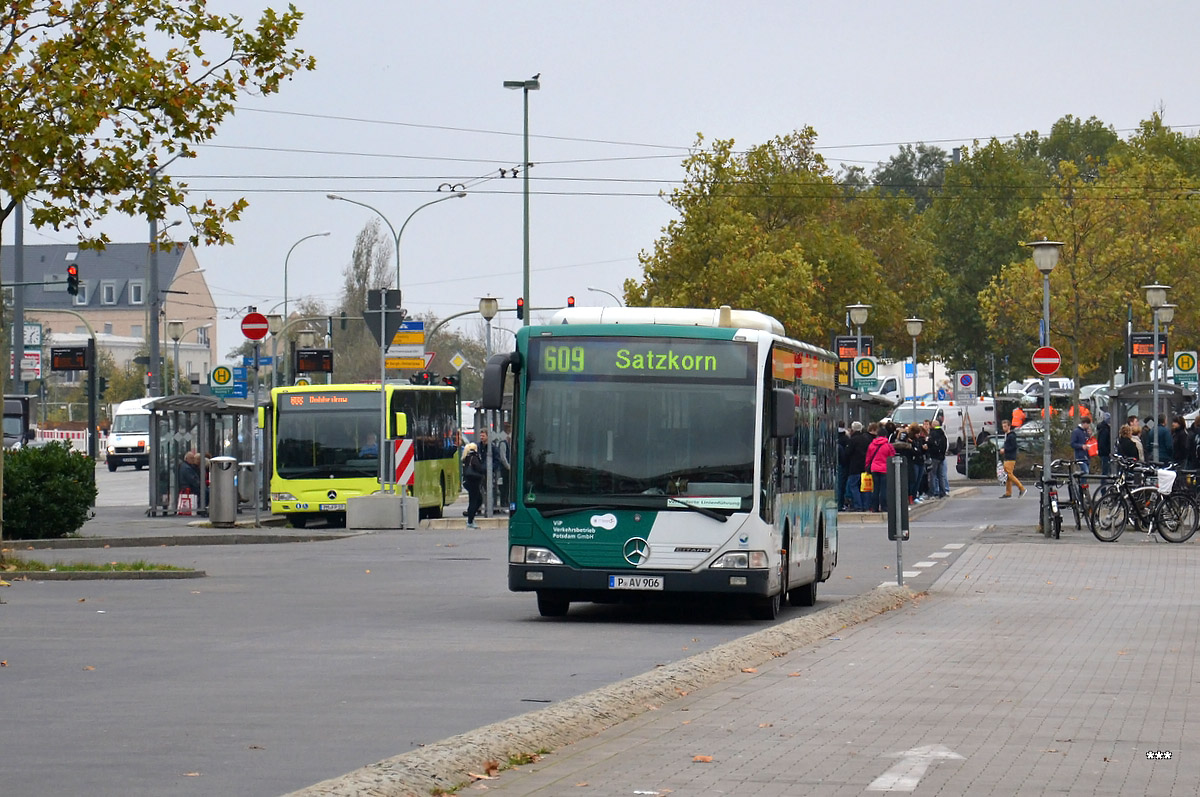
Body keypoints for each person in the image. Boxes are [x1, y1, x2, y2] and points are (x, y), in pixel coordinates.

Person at [865, 424, 896, 512]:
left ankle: (874, 507)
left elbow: (868, 458)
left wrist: (867, 467)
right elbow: (892, 456)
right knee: (884, 489)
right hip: (884, 469)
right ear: (886, 435)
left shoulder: (871, 444)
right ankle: (884, 506)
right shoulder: (888, 446)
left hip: (874, 468)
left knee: (875, 488)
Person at [845, 421, 872, 511]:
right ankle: (866, 505)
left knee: (854, 486)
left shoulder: (852, 440)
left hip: (854, 467)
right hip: (865, 467)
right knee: (864, 487)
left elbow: (847, 453)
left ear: (852, 429)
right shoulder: (866, 439)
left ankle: (858, 505)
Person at [461, 442, 485, 528]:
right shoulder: (474, 457)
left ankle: (470, 518)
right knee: (476, 500)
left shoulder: (466, 457)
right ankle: (470, 521)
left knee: (475, 500)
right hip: (474, 482)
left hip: (469, 482)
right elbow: (479, 468)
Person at [1000, 419, 1025, 498]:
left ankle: (1021, 488)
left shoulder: (1011, 436)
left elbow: (1014, 447)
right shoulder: (1007, 436)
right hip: (1007, 457)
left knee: (1009, 474)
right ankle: (1008, 492)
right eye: (1003, 426)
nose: (1004, 428)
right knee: (1007, 476)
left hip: (1010, 458)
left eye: (1005, 426)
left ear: (1009, 426)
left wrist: (1005, 450)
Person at [927, 418, 949, 498]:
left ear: (933, 425)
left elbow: (930, 444)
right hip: (941, 457)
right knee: (941, 475)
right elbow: (945, 445)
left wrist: (929, 449)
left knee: (932, 475)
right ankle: (942, 492)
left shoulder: (933, 434)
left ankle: (932, 493)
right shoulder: (942, 434)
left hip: (934, 457)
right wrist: (942, 454)